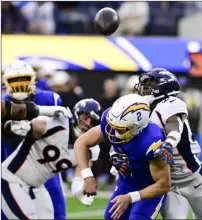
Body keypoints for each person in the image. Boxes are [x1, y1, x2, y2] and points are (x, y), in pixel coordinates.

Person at [133, 68, 202, 219]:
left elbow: (174, 128)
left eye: (150, 84)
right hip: (169, 183)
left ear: (162, 86)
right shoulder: (141, 111)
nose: (144, 88)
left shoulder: (171, 103)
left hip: (193, 177)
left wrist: (168, 144)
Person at [1, 98, 103, 219]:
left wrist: (81, 193)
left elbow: (77, 181)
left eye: (93, 122)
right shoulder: (59, 122)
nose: (87, 124)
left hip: (37, 187)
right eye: (86, 118)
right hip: (11, 179)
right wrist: (17, 126)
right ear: (77, 114)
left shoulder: (91, 149)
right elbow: (31, 122)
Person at [74, 94, 171, 220]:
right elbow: (81, 142)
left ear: (137, 127)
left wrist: (131, 197)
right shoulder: (112, 122)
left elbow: (164, 184)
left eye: (120, 129)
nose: (114, 132)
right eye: (113, 126)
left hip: (149, 189)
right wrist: (87, 176)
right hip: (126, 183)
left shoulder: (151, 142)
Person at [2, 60, 66, 219]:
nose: (19, 84)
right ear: (6, 82)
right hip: (13, 173)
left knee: (57, 215)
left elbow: (63, 125)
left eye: (23, 78)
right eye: (14, 80)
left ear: (33, 79)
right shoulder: (3, 105)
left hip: (45, 171)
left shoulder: (50, 99)